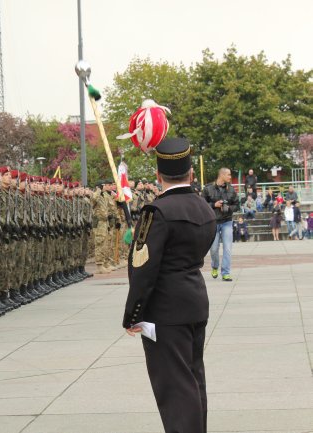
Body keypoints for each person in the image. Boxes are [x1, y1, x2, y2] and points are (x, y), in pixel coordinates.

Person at [123, 137, 216, 433]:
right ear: (191, 173)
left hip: (165, 311)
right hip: (194, 302)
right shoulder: (204, 208)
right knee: (193, 379)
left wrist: (133, 313)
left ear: (158, 175)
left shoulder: (156, 212)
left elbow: (142, 268)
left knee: (175, 388)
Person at [203, 167, 239, 282]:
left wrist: (229, 208)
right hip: (213, 222)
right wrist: (214, 205)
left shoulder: (231, 190)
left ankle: (226, 273)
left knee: (227, 248)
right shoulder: (208, 188)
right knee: (213, 249)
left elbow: (237, 205)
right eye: (228, 175)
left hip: (227, 221)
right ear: (222, 175)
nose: (230, 177)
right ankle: (214, 266)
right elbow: (201, 204)